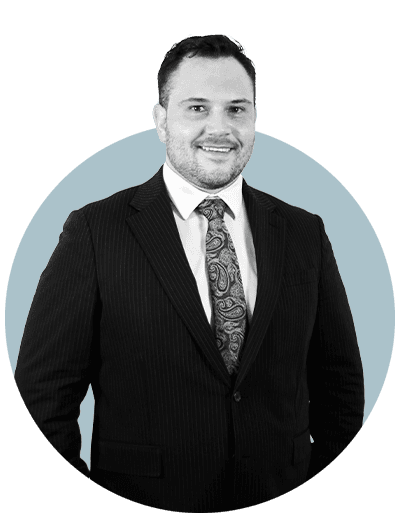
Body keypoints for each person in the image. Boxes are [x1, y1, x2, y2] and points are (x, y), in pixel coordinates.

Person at [14, 34, 364, 512]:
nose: (220, 128)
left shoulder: (305, 232)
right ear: (161, 120)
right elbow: (41, 401)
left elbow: (340, 389)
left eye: (236, 109)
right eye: (197, 108)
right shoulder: (96, 231)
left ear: (254, 118)